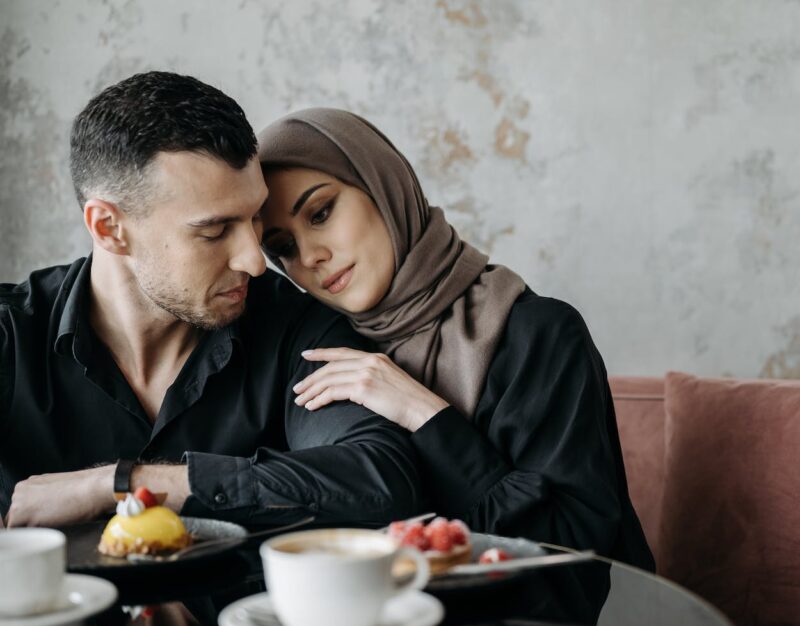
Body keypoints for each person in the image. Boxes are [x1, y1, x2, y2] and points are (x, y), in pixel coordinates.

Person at [0, 73, 422, 528]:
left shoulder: (296, 328)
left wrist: (121, 485)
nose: (254, 261)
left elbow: (379, 483)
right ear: (109, 228)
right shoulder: (11, 337)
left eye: (254, 219)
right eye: (214, 231)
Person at [258, 109, 654, 569]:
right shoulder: (318, 358)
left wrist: (423, 413)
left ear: (383, 187)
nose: (311, 255)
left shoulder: (536, 333)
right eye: (284, 248)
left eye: (321, 213)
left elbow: (566, 545)